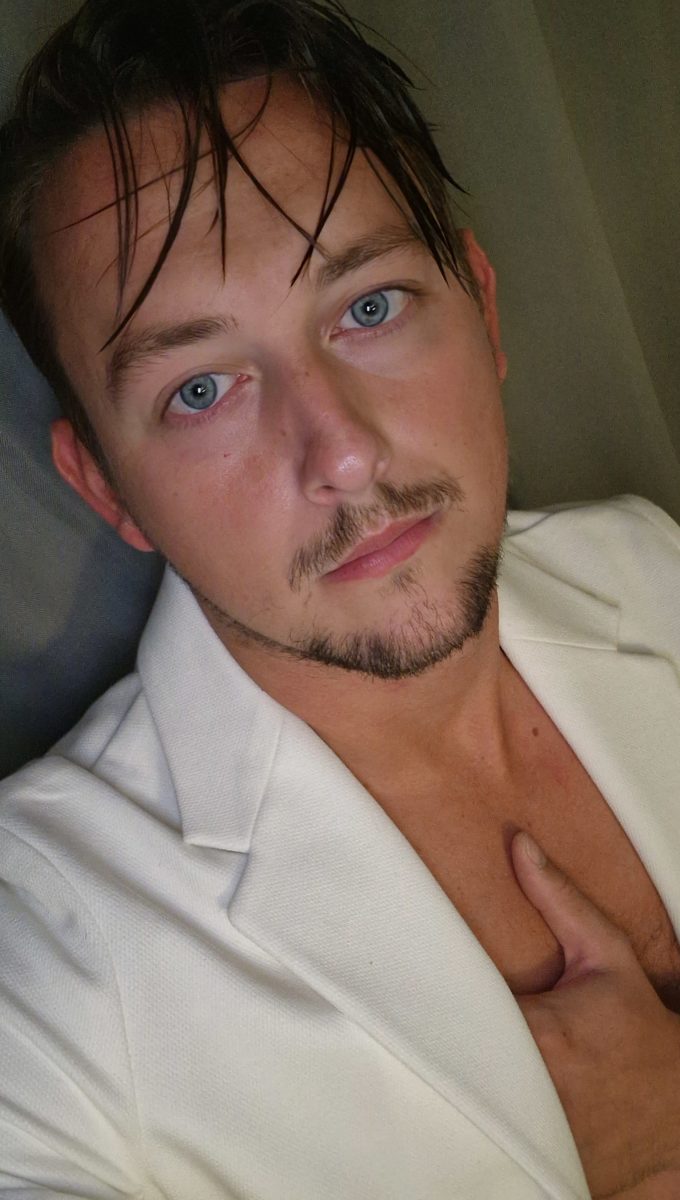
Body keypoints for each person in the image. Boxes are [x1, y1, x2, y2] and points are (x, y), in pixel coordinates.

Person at [1, 1, 679, 1197]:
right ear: (105, 486)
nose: (345, 454)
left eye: (368, 307)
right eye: (200, 388)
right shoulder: (41, 957)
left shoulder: (649, 568)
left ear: (480, 305)